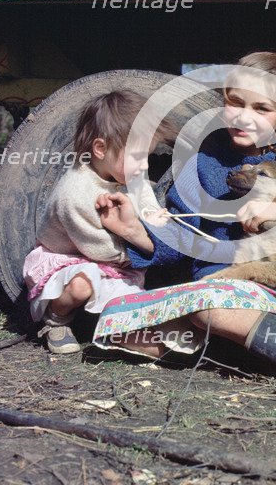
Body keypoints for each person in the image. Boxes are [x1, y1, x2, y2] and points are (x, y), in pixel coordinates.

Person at [94, 53, 276, 405]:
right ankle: (270, 355)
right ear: (223, 101)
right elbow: (182, 239)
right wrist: (134, 232)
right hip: (220, 286)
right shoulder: (200, 162)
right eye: (236, 102)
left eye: (262, 109)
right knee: (128, 320)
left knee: (205, 312)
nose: (246, 116)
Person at [22, 90, 174, 354]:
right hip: (72, 258)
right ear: (101, 148)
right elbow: (99, 250)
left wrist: (154, 218)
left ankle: (111, 329)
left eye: (147, 156)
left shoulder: (131, 173)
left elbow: (146, 200)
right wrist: (144, 245)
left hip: (112, 261)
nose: (143, 165)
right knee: (83, 284)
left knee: (128, 304)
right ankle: (56, 318)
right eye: (137, 156)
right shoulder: (76, 193)